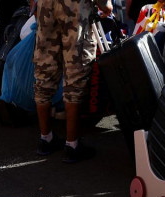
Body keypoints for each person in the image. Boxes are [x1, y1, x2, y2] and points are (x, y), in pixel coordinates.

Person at [32, 0, 112, 162]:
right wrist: (106, 6)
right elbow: (106, 7)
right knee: (75, 74)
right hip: (75, 9)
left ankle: (45, 138)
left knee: (44, 70)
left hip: (45, 6)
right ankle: (72, 144)